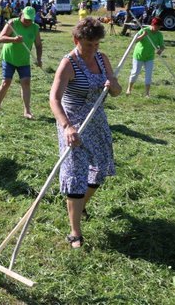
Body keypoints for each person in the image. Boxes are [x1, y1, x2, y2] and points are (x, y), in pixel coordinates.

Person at [49, 17, 122, 248]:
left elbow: (117, 92)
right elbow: (54, 99)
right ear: (76, 40)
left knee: (99, 170)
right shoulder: (68, 63)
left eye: (97, 44)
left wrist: (113, 85)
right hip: (73, 124)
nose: (93, 49)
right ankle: (75, 232)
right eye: (88, 44)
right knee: (76, 174)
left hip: (97, 121)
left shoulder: (102, 59)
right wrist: (67, 127)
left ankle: (80, 206)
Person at [0, 6, 43, 119]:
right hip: (9, 58)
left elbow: (39, 45)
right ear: (21, 15)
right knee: (6, 82)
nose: (27, 22)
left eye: (30, 20)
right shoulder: (13, 23)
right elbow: (0, 38)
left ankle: (27, 111)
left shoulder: (35, 28)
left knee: (26, 83)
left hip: (24, 60)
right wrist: (13, 40)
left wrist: (39, 59)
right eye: (26, 19)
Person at [126, 17, 165, 97]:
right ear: (152, 25)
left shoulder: (159, 34)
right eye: (156, 26)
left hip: (149, 57)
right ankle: (129, 89)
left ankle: (147, 93)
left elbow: (162, 46)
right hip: (139, 56)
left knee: (148, 75)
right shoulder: (144, 30)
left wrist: (160, 50)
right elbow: (135, 40)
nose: (157, 28)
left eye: (159, 27)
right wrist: (143, 35)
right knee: (135, 73)